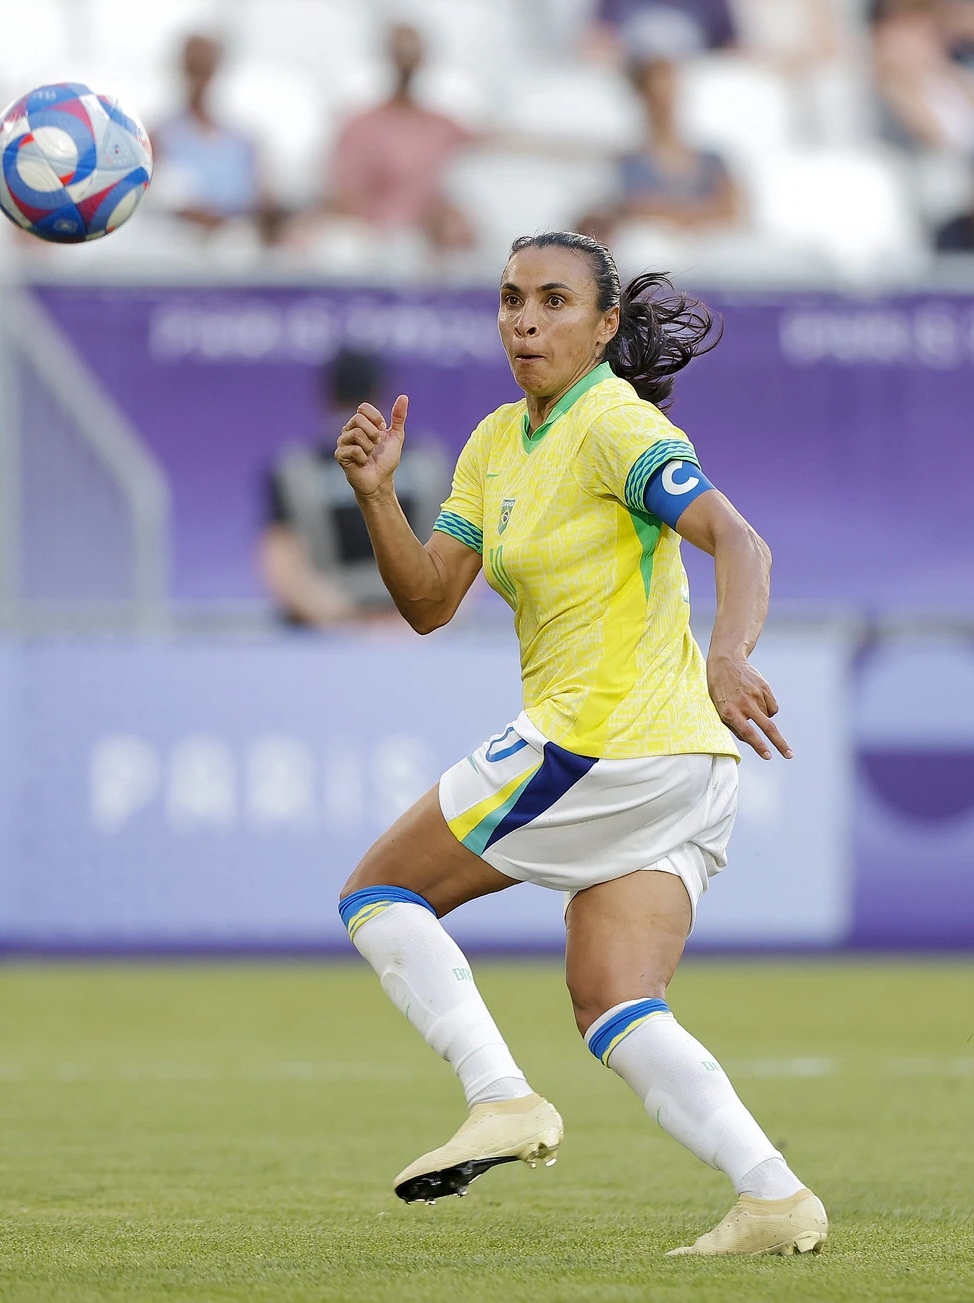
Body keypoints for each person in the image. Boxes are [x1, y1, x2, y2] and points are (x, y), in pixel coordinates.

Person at [331, 231, 823, 1257]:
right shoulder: (493, 444)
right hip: (680, 766)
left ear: (603, 326)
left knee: (379, 893)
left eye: (553, 301)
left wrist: (728, 652)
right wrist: (378, 498)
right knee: (611, 998)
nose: (523, 318)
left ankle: (498, 1096)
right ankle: (773, 1196)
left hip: (601, 738)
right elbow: (427, 601)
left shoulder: (613, 424)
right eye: (510, 298)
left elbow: (741, 538)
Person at [261, 349, 448, 627]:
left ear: (327, 398)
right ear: (383, 393)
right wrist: (402, 626)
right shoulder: (429, 463)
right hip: (411, 628)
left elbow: (281, 567)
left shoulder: (292, 470)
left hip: (331, 630)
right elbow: (461, 555)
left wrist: (346, 622)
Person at [324, 24, 474, 252]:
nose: (406, 61)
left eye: (412, 52)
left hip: (432, 246)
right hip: (373, 244)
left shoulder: (442, 125)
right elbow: (344, 194)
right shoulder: (359, 125)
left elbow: (487, 148)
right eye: (400, 52)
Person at [581, 56, 742, 240]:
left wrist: (665, 213)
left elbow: (733, 212)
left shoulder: (713, 159)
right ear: (642, 98)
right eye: (656, 95)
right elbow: (617, 213)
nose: (665, 104)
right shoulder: (625, 164)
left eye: (670, 93)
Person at [148, 33, 278, 242]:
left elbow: (262, 200)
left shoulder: (243, 142)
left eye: (205, 71)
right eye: (193, 70)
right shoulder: (156, 139)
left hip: (237, 247)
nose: (199, 81)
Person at [873, 0, 974, 152]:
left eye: (928, 31)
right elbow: (939, 142)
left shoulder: (956, 79)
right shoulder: (894, 88)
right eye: (914, 32)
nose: (927, 42)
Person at [589, 0, 738, 59]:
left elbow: (732, 46)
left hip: (695, 92)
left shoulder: (713, 4)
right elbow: (597, 40)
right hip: (632, 88)